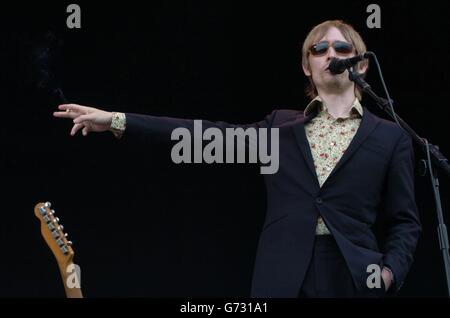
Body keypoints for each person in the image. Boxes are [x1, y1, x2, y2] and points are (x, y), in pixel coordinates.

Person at [53, 20, 421, 298]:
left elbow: (405, 220)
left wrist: (389, 272)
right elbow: (202, 135)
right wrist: (117, 120)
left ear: (361, 64)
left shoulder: (391, 136)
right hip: (283, 274)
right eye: (320, 49)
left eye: (342, 49)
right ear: (307, 66)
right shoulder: (281, 128)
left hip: (355, 275)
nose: (331, 55)